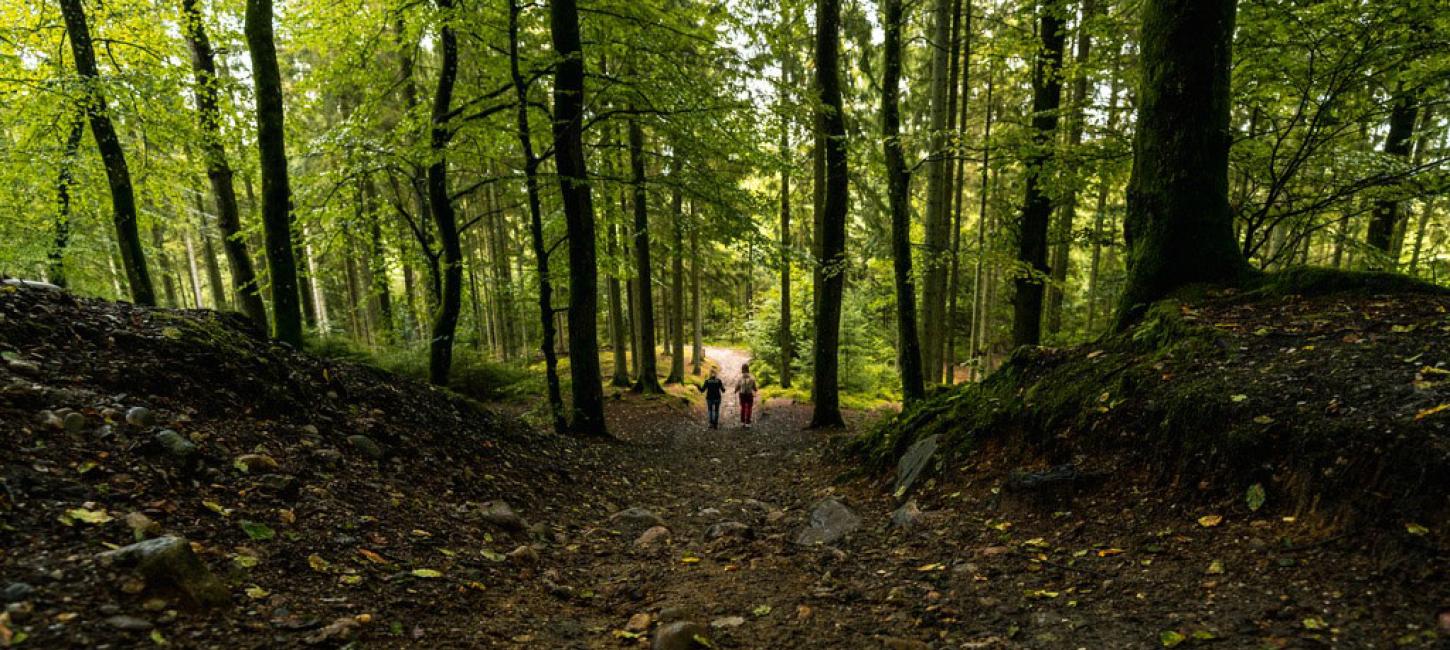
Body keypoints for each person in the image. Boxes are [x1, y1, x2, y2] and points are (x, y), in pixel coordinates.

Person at [736, 363, 758, 428]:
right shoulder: (752, 378)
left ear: (742, 369)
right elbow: (754, 387)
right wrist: (756, 390)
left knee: (743, 408)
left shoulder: (740, 378)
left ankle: (742, 422)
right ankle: (748, 423)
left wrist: (735, 390)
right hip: (749, 394)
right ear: (748, 369)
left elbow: (738, 386)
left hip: (742, 394)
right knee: (749, 408)